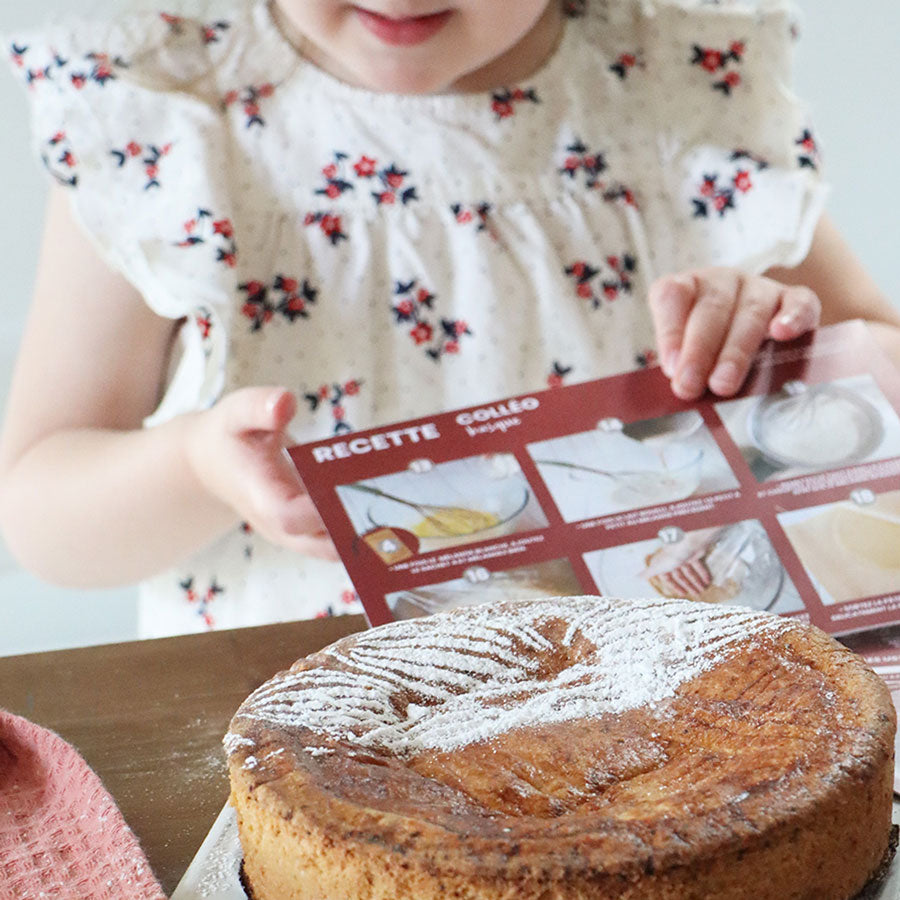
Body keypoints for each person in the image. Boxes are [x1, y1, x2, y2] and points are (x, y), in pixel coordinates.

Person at [1, 0, 898, 637]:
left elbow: (883, 371)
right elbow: (39, 512)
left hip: (648, 718)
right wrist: (195, 466)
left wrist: (790, 343)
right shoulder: (159, 118)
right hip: (287, 728)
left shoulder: (684, 92)